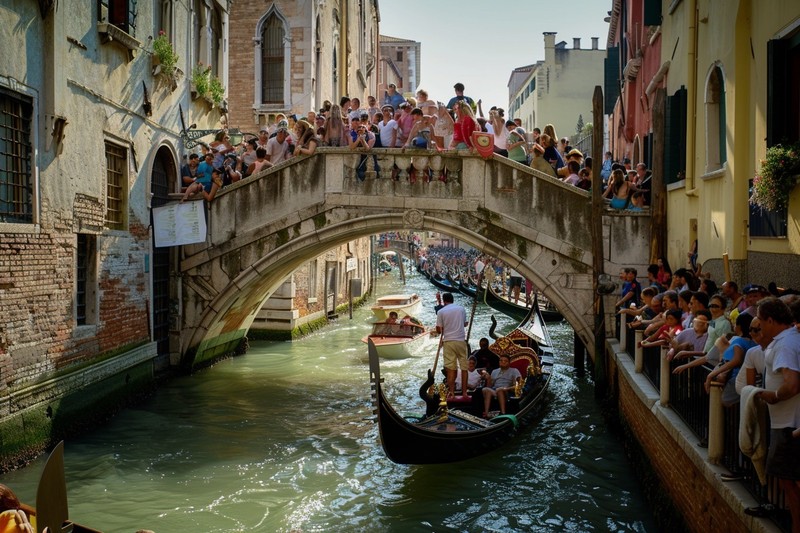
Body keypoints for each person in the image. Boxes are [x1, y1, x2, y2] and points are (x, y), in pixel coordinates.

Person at [751, 296, 800, 524]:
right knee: (786, 480)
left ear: (770, 320)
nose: (758, 324)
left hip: (789, 423)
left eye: (760, 320)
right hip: (786, 422)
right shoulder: (785, 340)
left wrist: (773, 396)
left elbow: (791, 384)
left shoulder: (786, 344)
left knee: (790, 483)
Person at [435, 292, 469, 399]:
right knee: (464, 368)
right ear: (453, 299)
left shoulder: (441, 312)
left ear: (444, 301)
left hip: (448, 342)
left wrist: (445, 326)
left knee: (450, 369)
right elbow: (465, 324)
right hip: (460, 341)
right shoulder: (461, 309)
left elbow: (438, 330)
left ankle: (452, 393)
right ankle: (464, 393)